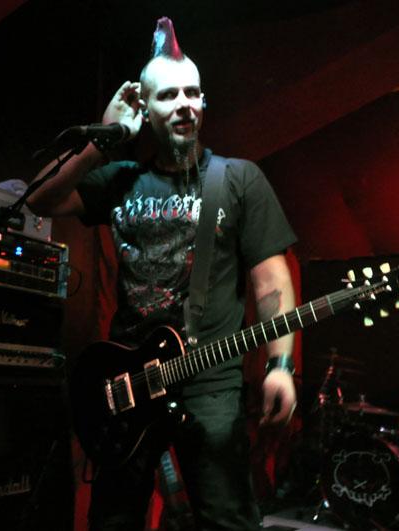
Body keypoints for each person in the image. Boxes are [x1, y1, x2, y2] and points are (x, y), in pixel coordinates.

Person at [26, 17, 298, 531]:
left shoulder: (239, 179)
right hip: (124, 383)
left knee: (228, 520)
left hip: (210, 386)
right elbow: (40, 198)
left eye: (193, 93)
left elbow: (271, 282)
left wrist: (280, 365)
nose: (184, 105)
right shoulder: (120, 179)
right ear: (145, 109)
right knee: (114, 521)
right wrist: (101, 141)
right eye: (169, 95)